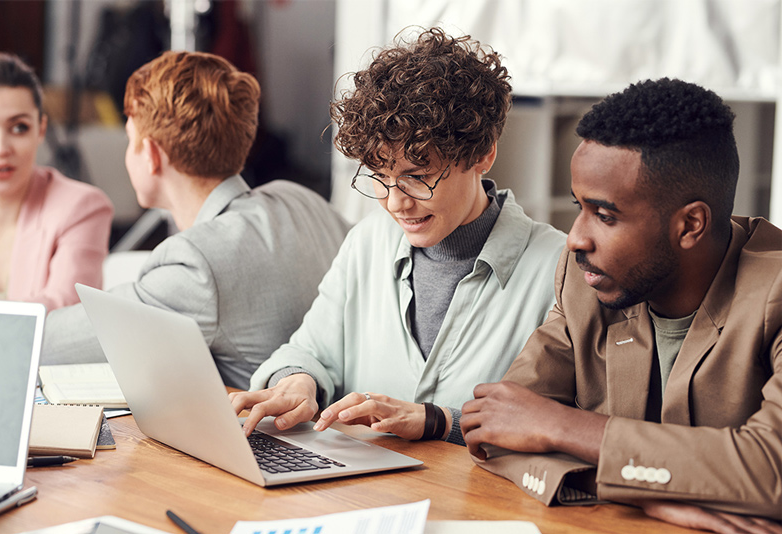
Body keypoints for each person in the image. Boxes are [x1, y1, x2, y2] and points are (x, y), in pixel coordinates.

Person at [461, 78, 782, 533]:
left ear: (690, 224)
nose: (575, 237)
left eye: (605, 215)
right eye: (579, 207)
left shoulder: (777, 290)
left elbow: (771, 468)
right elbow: (494, 430)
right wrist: (654, 498)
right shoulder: (585, 278)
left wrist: (560, 426)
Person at [230, 27, 566, 445]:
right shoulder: (368, 241)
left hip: (480, 505)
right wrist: (298, 383)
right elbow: (310, 351)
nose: (395, 203)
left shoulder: (559, 268)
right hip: (360, 497)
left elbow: (562, 424)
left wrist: (440, 420)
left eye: (417, 177)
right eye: (379, 176)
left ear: (483, 154)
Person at [41, 51, 350, 390]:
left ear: (152, 156)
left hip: (269, 436)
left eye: (131, 141)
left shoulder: (197, 265)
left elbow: (47, 344)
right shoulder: (298, 197)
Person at [0, 51, 113, 311]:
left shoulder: (82, 208)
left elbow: (64, 312)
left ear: (41, 129)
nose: (0, 148)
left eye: (19, 127)